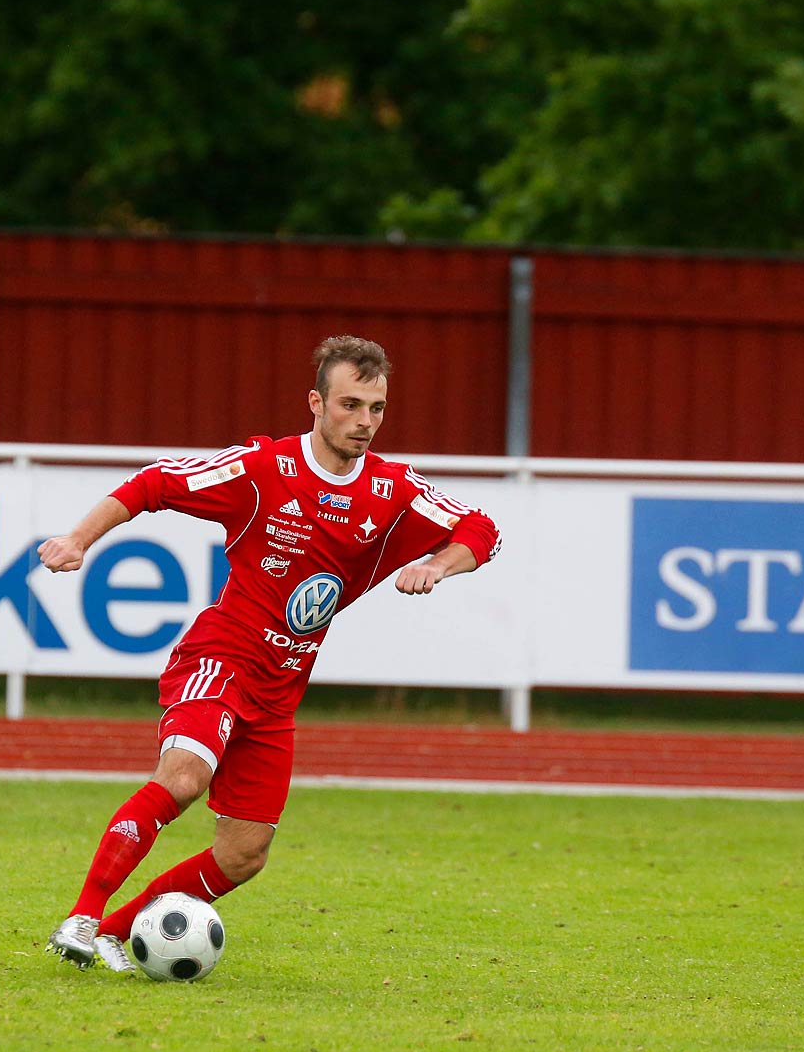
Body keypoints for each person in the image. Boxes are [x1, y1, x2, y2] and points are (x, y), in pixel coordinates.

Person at [37, 335, 501, 972]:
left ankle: (115, 933)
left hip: (280, 691)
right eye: (350, 404)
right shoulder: (263, 469)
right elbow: (154, 483)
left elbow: (482, 528)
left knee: (244, 854)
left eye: (377, 408)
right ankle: (82, 916)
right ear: (315, 402)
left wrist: (441, 564)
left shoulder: (394, 491)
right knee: (183, 779)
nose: (364, 421)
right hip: (221, 657)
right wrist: (77, 538)